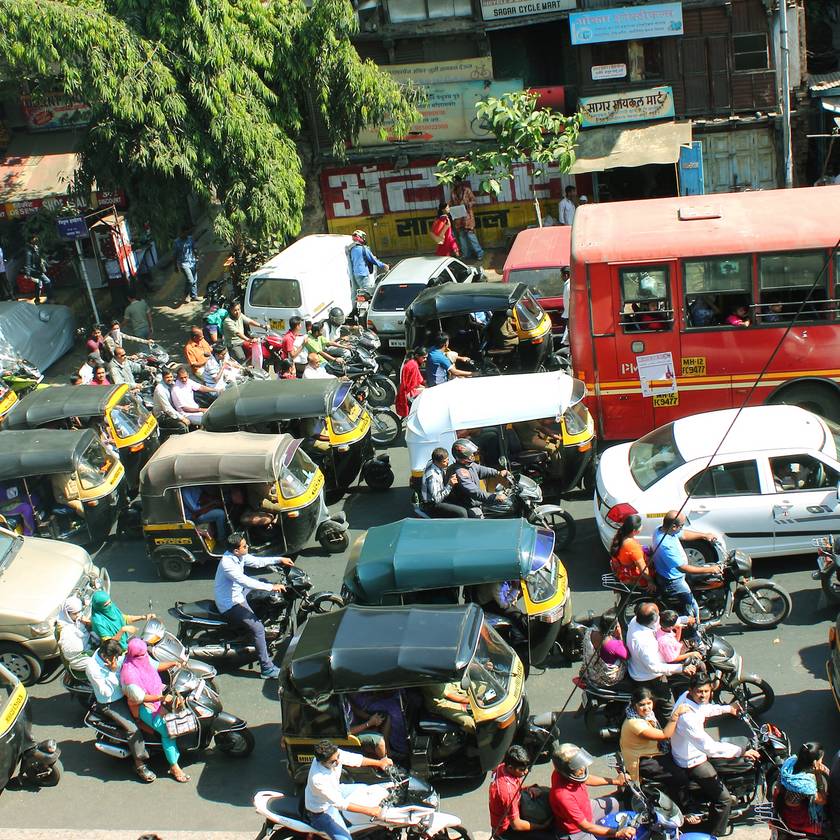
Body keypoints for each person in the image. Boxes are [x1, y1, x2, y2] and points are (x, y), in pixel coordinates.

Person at [670, 674, 760, 836]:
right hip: (692, 760)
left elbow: (705, 709)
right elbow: (709, 748)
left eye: (706, 691)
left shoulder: (687, 698)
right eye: (699, 691)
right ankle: (715, 833)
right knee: (724, 799)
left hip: (691, 749)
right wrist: (742, 751)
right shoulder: (687, 718)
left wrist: (729, 709)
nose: (703, 695)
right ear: (691, 690)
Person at [214, 531, 294, 679]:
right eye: (245, 546)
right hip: (231, 603)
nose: (247, 547)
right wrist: (272, 587)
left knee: (263, 581)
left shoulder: (239, 555)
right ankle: (267, 668)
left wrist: (280, 559)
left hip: (239, 593)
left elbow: (257, 562)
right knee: (258, 628)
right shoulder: (227, 564)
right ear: (236, 550)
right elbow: (244, 581)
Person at [85, 639, 156, 782]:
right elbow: (105, 692)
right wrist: (113, 672)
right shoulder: (92, 668)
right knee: (133, 729)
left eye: (118, 657)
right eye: (114, 658)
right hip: (112, 702)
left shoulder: (114, 655)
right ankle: (139, 765)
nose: (117, 660)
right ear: (105, 656)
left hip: (126, 693)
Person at [120, 637, 190, 783]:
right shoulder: (129, 673)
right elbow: (140, 698)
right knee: (168, 731)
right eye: (141, 655)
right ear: (133, 655)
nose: (144, 656)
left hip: (157, 692)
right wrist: (162, 699)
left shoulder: (141, 657)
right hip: (143, 705)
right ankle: (174, 766)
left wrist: (173, 663)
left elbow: (155, 665)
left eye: (145, 653)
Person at [619, 688, 693, 812]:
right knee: (680, 778)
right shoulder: (635, 723)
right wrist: (675, 716)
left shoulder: (644, 715)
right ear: (634, 705)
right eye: (642, 705)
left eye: (649, 703)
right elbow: (665, 734)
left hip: (652, 752)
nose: (646, 707)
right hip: (643, 760)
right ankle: (684, 810)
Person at [304, 739, 393, 840]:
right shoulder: (318, 779)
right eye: (333, 762)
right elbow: (340, 803)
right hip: (323, 810)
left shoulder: (334, 755)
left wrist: (379, 763)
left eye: (338, 757)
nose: (338, 762)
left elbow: (355, 759)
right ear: (322, 762)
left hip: (337, 789)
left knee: (365, 789)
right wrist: (371, 811)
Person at [626, 601, 697, 723]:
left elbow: (662, 622)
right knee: (668, 706)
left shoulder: (637, 620)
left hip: (644, 665)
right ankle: (668, 735)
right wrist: (681, 668)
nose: (660, 617)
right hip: (649, 677)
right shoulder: (643, 641)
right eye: (658, 615)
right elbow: (654, 667)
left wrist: (685, 619)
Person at [548, 742, 632, 840]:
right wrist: (617, 833)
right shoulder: (563, 796)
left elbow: (586, 779)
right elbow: (585, 826)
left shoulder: (566, 773)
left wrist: (616, 781)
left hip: (587, 807)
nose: (583, 768)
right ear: (567, 772)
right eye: (578, 768)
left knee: (616, 803)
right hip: (577, 831)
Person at [650, 510, 719, 625]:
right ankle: (696, 630)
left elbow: (684, 534)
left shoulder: (661, 529)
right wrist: (710, 569)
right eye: (681, 526)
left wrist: (704, 535)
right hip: (673, 580)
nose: (682, 528)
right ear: (673, 526)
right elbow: (682, 568)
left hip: (674, 572)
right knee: (692, 606)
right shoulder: (665, 544)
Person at [489, 745, 554, 840]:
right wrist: (542, 827)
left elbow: (514, 787)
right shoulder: (507, 793)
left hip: (511, 808)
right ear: (510, 768)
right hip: (506, 830)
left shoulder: (502, 767)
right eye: (522, 769)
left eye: (527, 767)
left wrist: (527, 789)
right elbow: (516, 825)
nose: (526, 771)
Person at [774, 742, 829, 840]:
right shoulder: (804, 785)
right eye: (821, 759)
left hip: (781, 804)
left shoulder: (790, 762)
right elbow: (822, 800)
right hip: (795, 817)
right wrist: (818, 775)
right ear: (815, 762)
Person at [446, 438, 509, 519]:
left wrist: (498, 473)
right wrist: (494, 497)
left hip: (477, 501)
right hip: (468, 506)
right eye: (470, 454)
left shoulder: (469, 465)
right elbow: (474, 492)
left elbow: (482, 470)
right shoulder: (460, 472)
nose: (472, 455)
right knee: (481, 522)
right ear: (462, 456)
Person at [579, 615, 628, 689]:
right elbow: (626, 656)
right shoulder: (612, 644)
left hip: (589, 673)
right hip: (605, 680)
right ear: (615, 628)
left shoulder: (589, 632)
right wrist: (620, 636)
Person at [419, 447, 466, 519]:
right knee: (462, 512)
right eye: (444, 462)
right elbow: (437, 499)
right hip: (432, 504)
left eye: (447, 460)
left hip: (441, 492)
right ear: (436, 462)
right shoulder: (433, 477)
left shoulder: (432, 463)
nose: (447, 463)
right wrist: (450, 485)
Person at [609, 514, 652, 588]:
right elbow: (643, 570)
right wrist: (651, 581)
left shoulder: (619, 537)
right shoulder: (632, 546)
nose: (642, 526)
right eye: (640, 525)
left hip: (622, 572)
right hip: (633, 575)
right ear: (634, 531)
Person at [56, 596, 93, 675]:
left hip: (88, 649)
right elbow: (70, 653)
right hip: (77, 659)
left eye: (79, 612)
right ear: (67, 613)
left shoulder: (78, 619)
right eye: (75, 613)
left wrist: (88, 623)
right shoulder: (64, 630)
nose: (78, 615)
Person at [450, 179, 484, 262]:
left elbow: (474, 201)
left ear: (460, 182)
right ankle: (466, 254)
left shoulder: (467, 190)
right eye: (454, 182)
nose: (456, 183)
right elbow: (451, 203)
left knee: (471, 236)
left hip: (467, 217)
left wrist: (467, 204)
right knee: (462, 237)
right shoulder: (453, 192)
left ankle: (480, 254)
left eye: (457, 182)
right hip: (458, 218)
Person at [349, 230, 389, 296]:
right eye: (363, 237)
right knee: (367, 293)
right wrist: (384, 265)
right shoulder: (363, 249)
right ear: (360, 237)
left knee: (360, 292)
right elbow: (373, 260)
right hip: (363, 274)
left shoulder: (352, 249)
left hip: (356, 274)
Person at [395, 347, 426, 418]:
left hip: (404, 390)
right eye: (423, 358)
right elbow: (414, 384)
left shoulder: (411, 362)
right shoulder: (413, 366)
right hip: (408, 392)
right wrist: (425, 387)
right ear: (417, 356)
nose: (425, 360)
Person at [173, 226, 200, 304]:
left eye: (187, 233)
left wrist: (197, 257)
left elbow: (194, 248)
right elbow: (174, 255)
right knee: (190, 280)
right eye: (184, 233)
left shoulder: (190, 238)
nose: (186, 234)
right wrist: (175, 266)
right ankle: (186, 294)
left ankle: (194, 296)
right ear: (181, 233)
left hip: (192, 261)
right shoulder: (176, 242)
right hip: (183, 264)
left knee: (194, 279)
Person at [23, 234, 53, 303]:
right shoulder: (28, 250)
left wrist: (43, 262)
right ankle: (50, 299)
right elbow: (28, 263)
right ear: (31, 240)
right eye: (34, 238)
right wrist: (28, 274)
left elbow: (38, 257)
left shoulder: (34, 247)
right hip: (34, 270)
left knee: (39, 284)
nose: (36, 239)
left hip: (37, 269)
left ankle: (37, 300)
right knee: (47, 281)